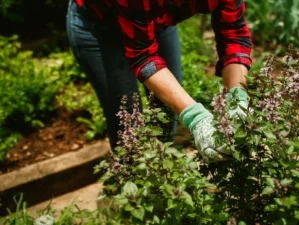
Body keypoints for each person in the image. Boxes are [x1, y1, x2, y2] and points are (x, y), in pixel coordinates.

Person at [66, 0, 252, 163]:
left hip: (152, 19)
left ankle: (162, 179)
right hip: (101, 28)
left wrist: (237, 99)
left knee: (166, 113)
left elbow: (233, 33)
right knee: (127, 125)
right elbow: (143, 55)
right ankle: (133, 188)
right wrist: (197, 119)